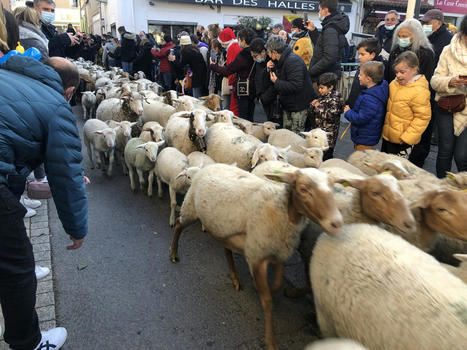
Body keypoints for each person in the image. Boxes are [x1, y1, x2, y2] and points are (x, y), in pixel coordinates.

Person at [0, 24, 88, 349]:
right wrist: (77, 229)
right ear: (69, 91)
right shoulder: (57, 106)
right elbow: (65, 176)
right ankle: (30, 342)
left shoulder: (11, 76)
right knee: (17, 268)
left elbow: (20, 134)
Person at [386, 19, 435, 167]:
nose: (402, 39)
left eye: (405, 36)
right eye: (399, 35)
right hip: (395, 111)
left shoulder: (425, 54)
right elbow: (389, 76)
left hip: (412, 110)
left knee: (407, 163)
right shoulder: (395, 51)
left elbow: (422, 112)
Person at [430, 15, 467, 178]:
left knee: (462, 155)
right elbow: (435, 80)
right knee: (445, 149)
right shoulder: (448, 50)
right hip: (447, 104)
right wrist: (451, 81)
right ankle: (442, 188)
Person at [381, 51, 431, 157]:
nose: (398, 75)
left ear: (414, 69)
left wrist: (407, 138)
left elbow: (423, 117)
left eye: (402, 72)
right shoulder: (394, 84)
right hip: (389, 136)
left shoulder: (419, 91)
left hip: (403, 141)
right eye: (396, 72)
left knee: (397, 170)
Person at [266, 35, 315, 133]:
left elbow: (296, 85)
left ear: (274, 52)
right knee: (287, 136)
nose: (268, 55)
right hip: (290, 104)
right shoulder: (282, 60)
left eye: (268, 52)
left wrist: (276, 82)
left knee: (296, 137)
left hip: (298, 106)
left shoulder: (292, 61)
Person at [210, 28, 257, 121]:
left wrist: (213, 66)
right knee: (249, 115)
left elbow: (229, 70)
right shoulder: (255, 52)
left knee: (239, 115)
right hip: (253, 88)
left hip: (242, 88)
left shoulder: (241, 54)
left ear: (243, 40)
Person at [344, 61, 389, 151]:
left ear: (368, 79)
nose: (358, 76)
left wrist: (348, 113)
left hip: (364, 137)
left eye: (360, 75)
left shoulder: (370, 99)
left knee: (360, 161)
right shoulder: (375, 90)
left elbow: (361, 118)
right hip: (365, 135)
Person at [306, 0, 350, 81]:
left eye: (319, 10)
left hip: (324, 77)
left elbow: (329, 58)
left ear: (325, 10)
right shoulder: (332, 26)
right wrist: (313, 30)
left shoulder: (331, 29)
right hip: (326, 75)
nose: (319, 12)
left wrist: (311, 72)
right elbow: (322, 46)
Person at [310, 72, 343, 159]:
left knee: (326, 157)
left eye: (322, 88)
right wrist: (313, 105)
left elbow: (331, 115)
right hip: (320, 133)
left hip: (328, 137)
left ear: (331, 87)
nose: (319, 90)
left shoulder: (335, 99)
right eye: (319, 88)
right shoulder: (323, 95)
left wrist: (318, 107)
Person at [346, 37, 384, 108]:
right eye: (359, 54)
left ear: (372, 55)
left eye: (362, 54)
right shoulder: (362, 66)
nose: (359, 57)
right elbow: (355, 89)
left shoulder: (377, 72)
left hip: (362, 111)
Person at [252, 37, 278, 122]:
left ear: (263, 52)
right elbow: (257, 79)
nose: (254, 59)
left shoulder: (272, 61)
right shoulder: (259, 62)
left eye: (255, 56)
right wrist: (259, 96)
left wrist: (263, 98)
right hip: (263, 98)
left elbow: (273, 84)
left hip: (272, 100)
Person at [217, 27, 242, 116]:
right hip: (238, 81)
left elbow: (231, 68)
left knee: (233, 108)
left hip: (235, 82)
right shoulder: (236, 46)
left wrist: (231, 84)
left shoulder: (232, 49)